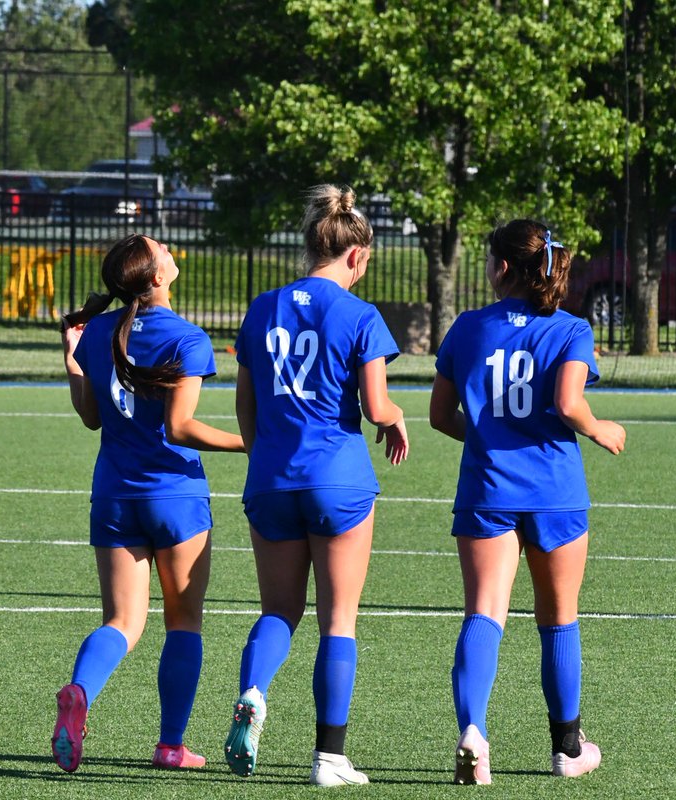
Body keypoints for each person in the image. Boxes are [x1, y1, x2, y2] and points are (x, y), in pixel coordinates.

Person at [429, 219, 626, 785]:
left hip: (488, 490)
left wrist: (490, 436)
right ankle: (567, 747)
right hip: (554, 493)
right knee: (558, 618)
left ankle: (472, 731)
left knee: (484, 611)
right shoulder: (570, 329)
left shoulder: (467, 328)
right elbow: (568, 402)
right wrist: (598, 427)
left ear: (502, 268)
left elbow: (441, 416)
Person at [225, 184, 409, 786]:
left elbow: (245, 406)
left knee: (279, 610)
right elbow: (377, 406)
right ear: (355, 256)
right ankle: (329, 758)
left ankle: (253, 691)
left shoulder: (262, 307)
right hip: (338, 480)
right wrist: (396, 417)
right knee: (339, 621)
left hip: (271, 479)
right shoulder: (360, 314)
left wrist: (266, 457)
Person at [52, 232, 246, 773]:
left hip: (115, 494)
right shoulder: (187, 338)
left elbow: (92, 416)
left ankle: (79, 694)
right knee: (183, 621)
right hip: (175, 497)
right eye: (160, 248)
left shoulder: (99, 336)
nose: (167, 249)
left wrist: (73, 360)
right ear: (155, 277)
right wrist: (249, 441)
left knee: (121, 621)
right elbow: (179, 428)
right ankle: (170, 745)